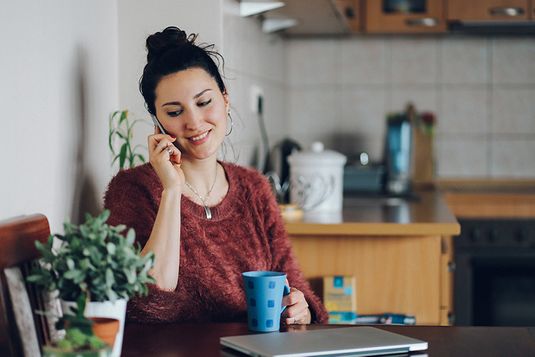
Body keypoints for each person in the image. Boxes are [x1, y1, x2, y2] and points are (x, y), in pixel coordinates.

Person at [104, 26, 328, 325]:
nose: (194, 122)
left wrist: (302, 308)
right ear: (157, 123)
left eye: (204, 102)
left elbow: (294, 285)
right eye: (174, 112)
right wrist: (171, 191)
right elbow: (144, 308)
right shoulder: (132, 190)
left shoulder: (254, 188)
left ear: (225, 99)